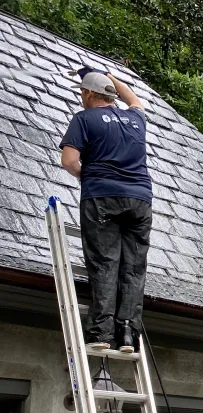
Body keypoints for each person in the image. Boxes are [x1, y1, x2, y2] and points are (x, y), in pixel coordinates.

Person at [60, 67, 152, 354]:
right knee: (133, 268)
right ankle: (127, 334)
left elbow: (69, 160)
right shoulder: (135, 119)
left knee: (104, 263)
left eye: (82, 92)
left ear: (88, 93)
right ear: (110, 93)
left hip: (102, 198)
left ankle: (101, 332)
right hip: (140, 200)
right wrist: (111, 77)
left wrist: (86, 176)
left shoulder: (84, 119)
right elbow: (135, 99)